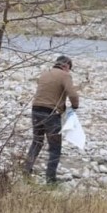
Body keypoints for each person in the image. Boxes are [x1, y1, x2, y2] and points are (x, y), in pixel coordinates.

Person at [24, 55, 80, 184]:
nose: (68, 71)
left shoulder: (45, 73)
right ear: (66, 65)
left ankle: (26, 169)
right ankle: (50, 179)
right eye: (69, 68)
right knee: (55, 147)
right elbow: (72, 94)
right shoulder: (65, 76)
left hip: (35, 110)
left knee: (37, 141)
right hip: (51, 113)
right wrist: (75, 106)